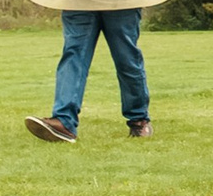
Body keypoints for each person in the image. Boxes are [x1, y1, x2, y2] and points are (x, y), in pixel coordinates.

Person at [24, 8, 152, 143]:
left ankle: (139, 120)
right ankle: (63, 122)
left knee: (126, 59)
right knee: (73, 57)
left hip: (121, 0)